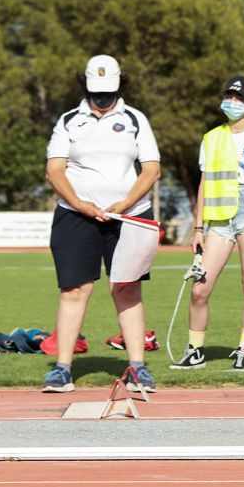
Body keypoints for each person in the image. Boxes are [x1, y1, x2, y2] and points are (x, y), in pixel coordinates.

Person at [43, 54, 162, 392]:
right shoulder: (69, 120)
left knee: (127, 287)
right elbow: (55, 169)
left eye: (108, 92)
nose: (102, 99)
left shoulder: (135, 119)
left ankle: (138, 367)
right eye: (96, 92)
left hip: (130, 214)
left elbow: (152, 169)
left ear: (120, 85)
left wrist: (123, 204)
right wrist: (80, 203)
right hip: (74, 214)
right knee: (74, 290)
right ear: (85, 86)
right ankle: (62, 369)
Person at [172, 76, 244, 370]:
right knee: (199, 290)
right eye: (228, 96)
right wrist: (198, 228)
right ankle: (195, 350)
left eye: (238, 98)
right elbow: (204, 184)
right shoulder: (211, 138)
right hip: (218, 221)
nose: (231, 102)